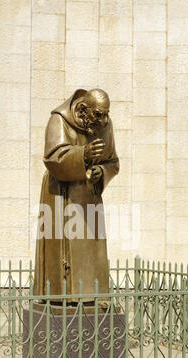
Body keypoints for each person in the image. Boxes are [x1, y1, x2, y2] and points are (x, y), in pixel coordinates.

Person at [33, 88, 119, 299]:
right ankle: (62, 298)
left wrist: (102, 171)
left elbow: (113, 162)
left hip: (90, 195)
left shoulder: (105, 125)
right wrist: (83, 154)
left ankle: (93, 297)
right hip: (61, 195)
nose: (104, 119)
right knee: (63, 252)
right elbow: (53, 157)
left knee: (92, 251)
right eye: (98, 114)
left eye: (106, 114)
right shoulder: (59, 120)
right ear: (82, 109)